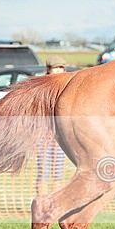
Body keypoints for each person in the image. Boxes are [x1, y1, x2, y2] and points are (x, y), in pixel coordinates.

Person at [36, 56, 67, 194]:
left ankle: (54, 204)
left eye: (61, 67)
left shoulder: (67, 86)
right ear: (48, 70)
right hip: (43, 135)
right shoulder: (41, 86)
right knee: (44, 171)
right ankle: (42, 203)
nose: (59, 71)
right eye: (56, 68)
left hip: (60, 136)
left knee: (58, 172)